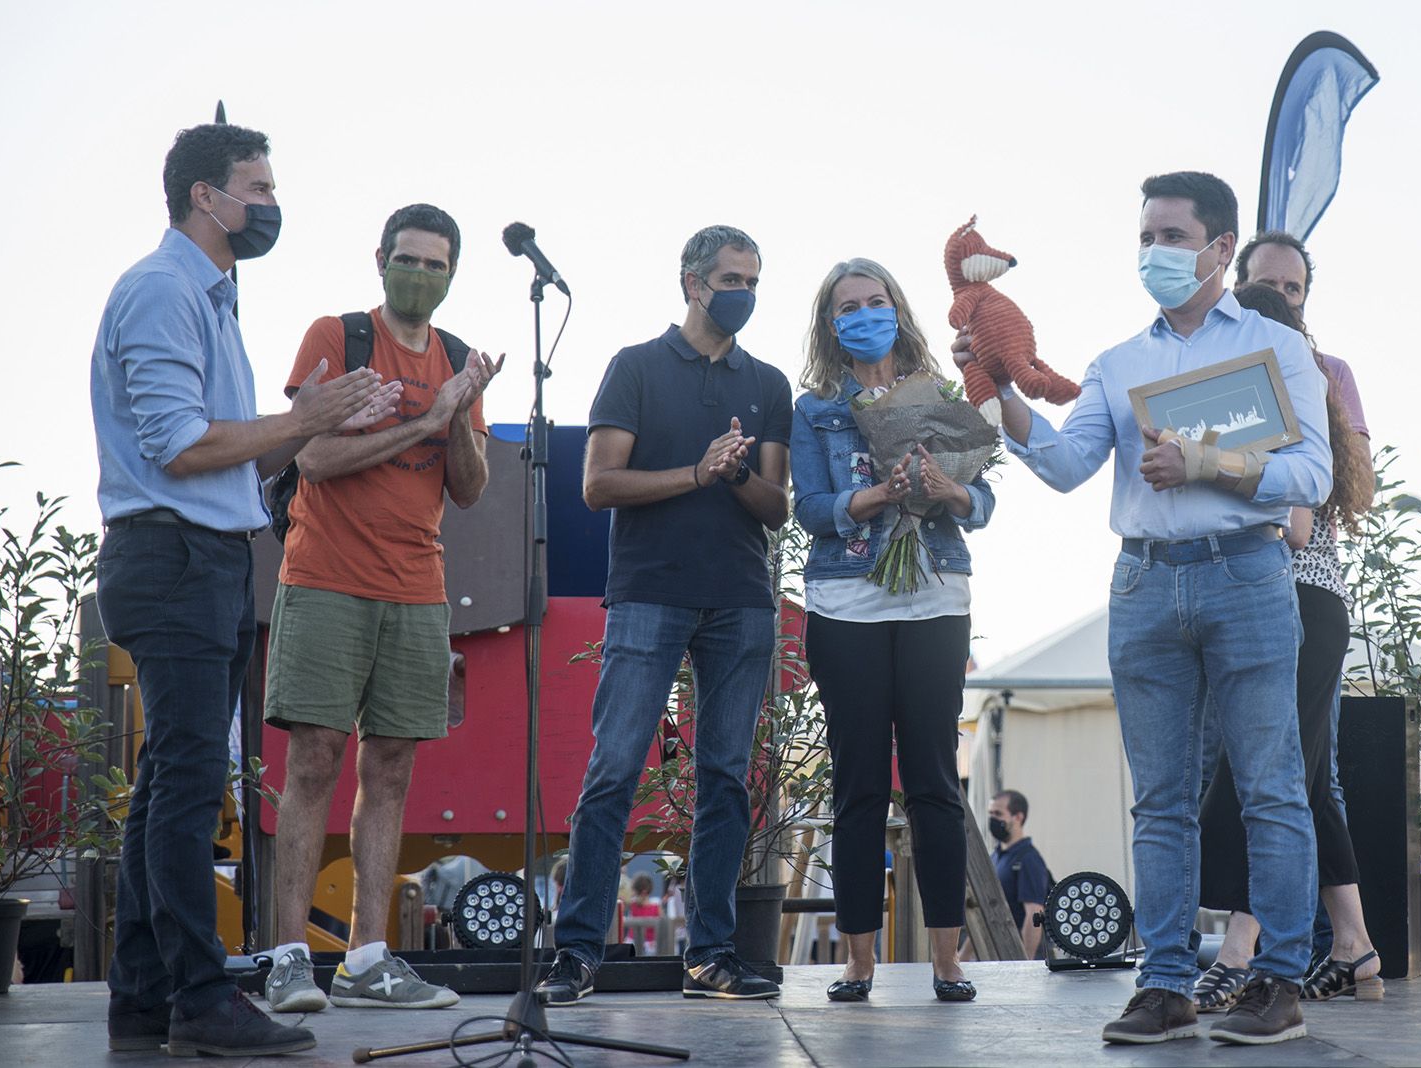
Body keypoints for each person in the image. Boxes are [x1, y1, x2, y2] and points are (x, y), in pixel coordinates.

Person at [955, 171, 1331, 1046]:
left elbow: (1314, 477)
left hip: (1246, 571)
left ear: (1220, 247)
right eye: (1146, 236)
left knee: (1272, 790)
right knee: (1159, 800)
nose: (1153, 252)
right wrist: (996, 382)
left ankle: (1276, 979)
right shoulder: (1119, 363)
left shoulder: (1277, 349)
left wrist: (1210, 465)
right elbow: (1061, 463)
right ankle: (1166, 983)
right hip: (1145, 581)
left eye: (1171, 235)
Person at [92, 123, 397, 1057]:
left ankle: (143, 996)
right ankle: (197, 995)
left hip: (211, 558)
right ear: (202, 197)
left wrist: (310, 427)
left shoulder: (212, 299)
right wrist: (299, 419)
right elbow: (180, 444)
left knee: (169, 787)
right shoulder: (162, 291)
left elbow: (228, 443)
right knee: (185, 789)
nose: (270, 203)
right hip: (171, 556)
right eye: (255, 188)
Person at [534, 226, 792, 1005]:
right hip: (649, 595)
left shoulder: (769, 382)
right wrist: (695, 471)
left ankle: (709, 954)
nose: (741, 291)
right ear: (690, 281)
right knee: (613, 771)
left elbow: (775, 506)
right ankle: (577, 952)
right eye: (729, 278)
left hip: (742, 601)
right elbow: (598, 485)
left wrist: (737, 472)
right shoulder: (636, 367)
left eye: (753, 279)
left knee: (723, 779)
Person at [261, 203, 501, 1013]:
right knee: (314, 761)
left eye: (436, 264)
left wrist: (457, 419)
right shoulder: (338, 338)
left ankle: (368, 958)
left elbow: (468, 490)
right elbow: (315, 456)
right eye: (409, 259)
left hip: (417, 589)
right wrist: (423, 423)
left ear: (452, 274)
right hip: (326, 577)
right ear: (380, 259)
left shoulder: (459, 359)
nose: (421, 274)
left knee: (391, 768)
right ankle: (290, 957)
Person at [791, 258, 994, 1004]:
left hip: (936, 597)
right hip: (847, 603)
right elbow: (811, 508)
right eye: (850, 306)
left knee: (937, 784)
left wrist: (951, 491)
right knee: (859, 787)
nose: (865, 314)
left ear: (898, 311)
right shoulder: (814, 408)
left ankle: (948, 960)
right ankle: (857, 963)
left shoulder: (940, 394)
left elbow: (986, 501)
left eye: (876, 302)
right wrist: (880, 494)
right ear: (830, 323)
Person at [1194, 280, 1380, 1009]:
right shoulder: (1271, 400)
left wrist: (1213, 471)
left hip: (1294, 600)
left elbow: (1295, 527)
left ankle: (1241, 948)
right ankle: (1353, 944)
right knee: (1305, 776)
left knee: (1266, 778)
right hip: (1281, 600)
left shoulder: (1286, 404)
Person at [988, 790, 1050, 960]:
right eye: (991, 813)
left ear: (1018, 817)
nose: (993, 819)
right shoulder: (994, 858)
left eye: (998, 814)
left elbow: (1034, 915)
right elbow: (987, 914)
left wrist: (1025, 963)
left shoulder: (1028, 859)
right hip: (1000, 959)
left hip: (1021, 961)